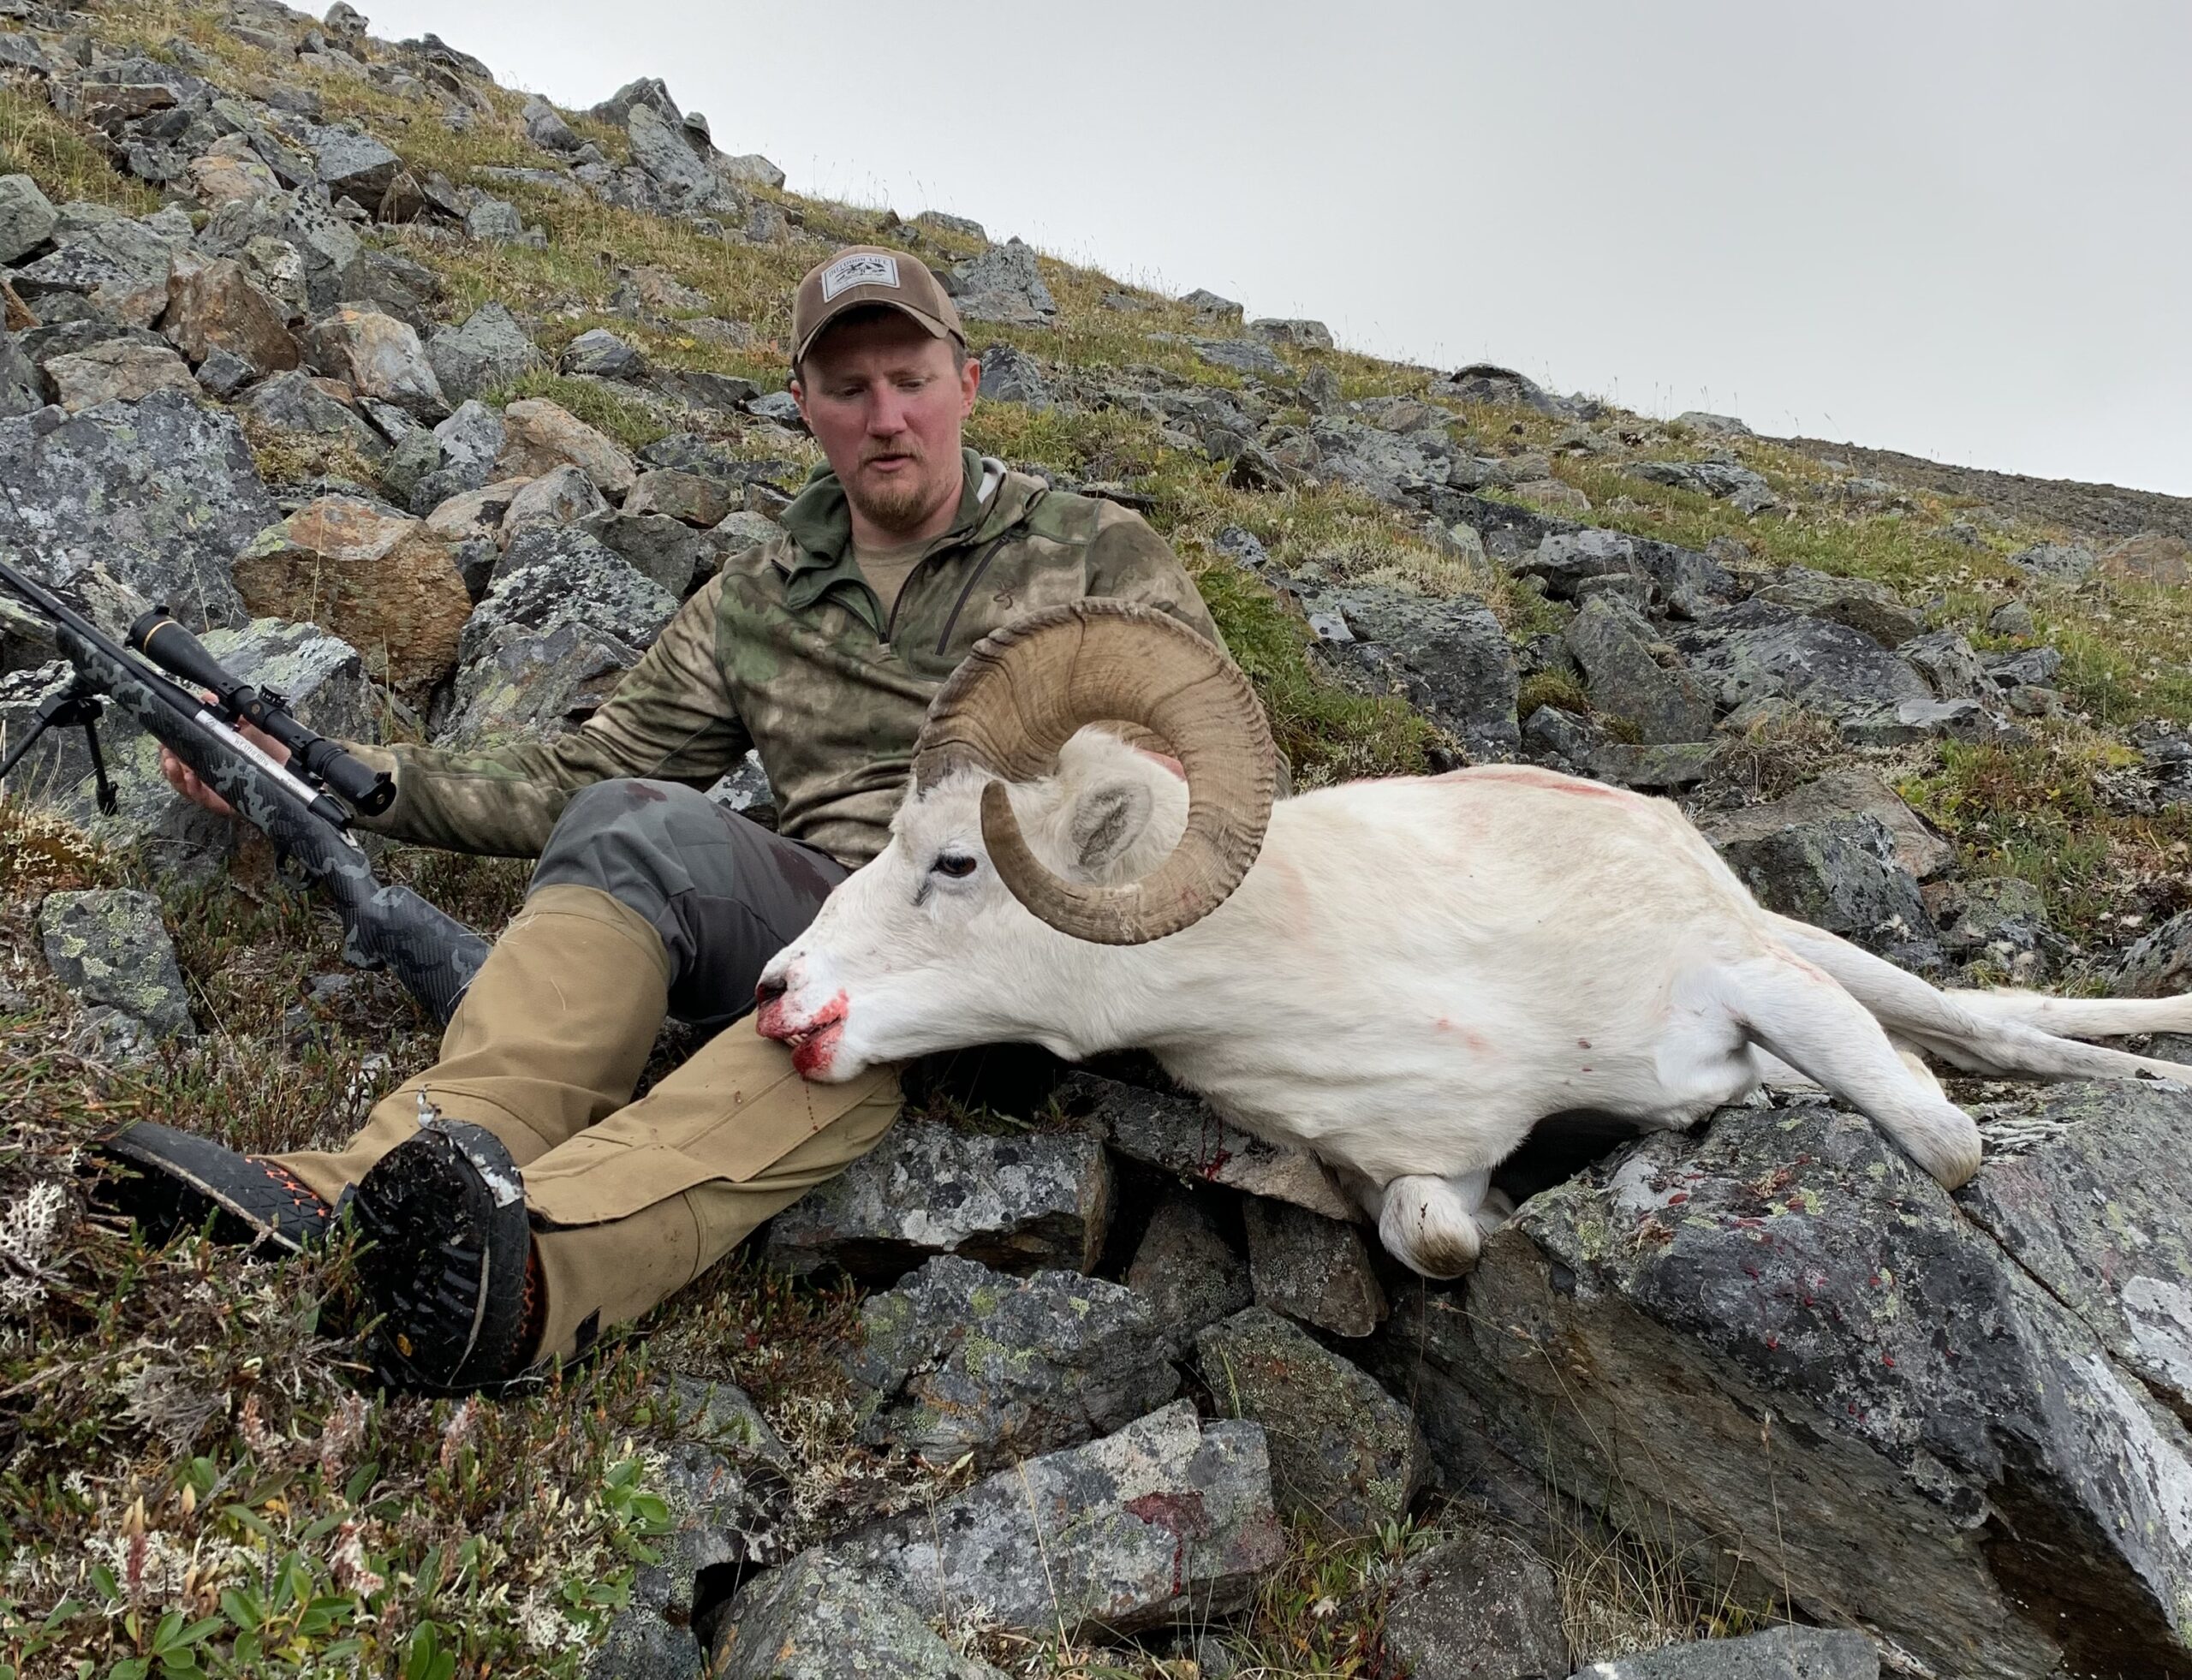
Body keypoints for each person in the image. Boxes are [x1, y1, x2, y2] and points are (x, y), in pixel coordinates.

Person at [102, 244, 1231, 1393]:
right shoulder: (759, 596)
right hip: (839, 908)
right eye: (848, 389)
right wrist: (353, 774)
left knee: (835, 1001)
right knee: (626, 819)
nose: (886, 415)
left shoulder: (1096, 552)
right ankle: (360, 1188)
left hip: (1025, 957)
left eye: (913, 379)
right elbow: (592, 764)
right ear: (803, 406)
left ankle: (529, 1269)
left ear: (970, 384)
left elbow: (1210, 775)